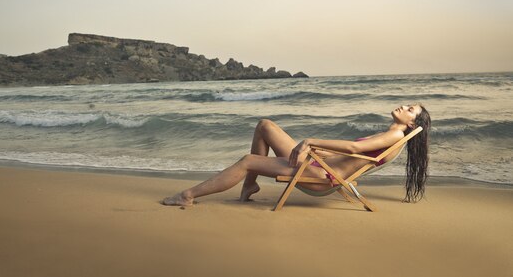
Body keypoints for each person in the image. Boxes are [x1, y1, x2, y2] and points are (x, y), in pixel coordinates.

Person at [161, 104, 431, 207]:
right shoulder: (389, 135)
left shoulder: (394, 137)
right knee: (265, 125)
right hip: (317, 162)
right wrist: (315, 149)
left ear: (410, 124)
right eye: (407, 105)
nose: (403, 106)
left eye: (410, 110)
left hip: (318, 175)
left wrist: (310, 141)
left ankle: (188, 195)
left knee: (247, 161)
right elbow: (350, 154)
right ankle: (249, 185)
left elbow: (351, 149)